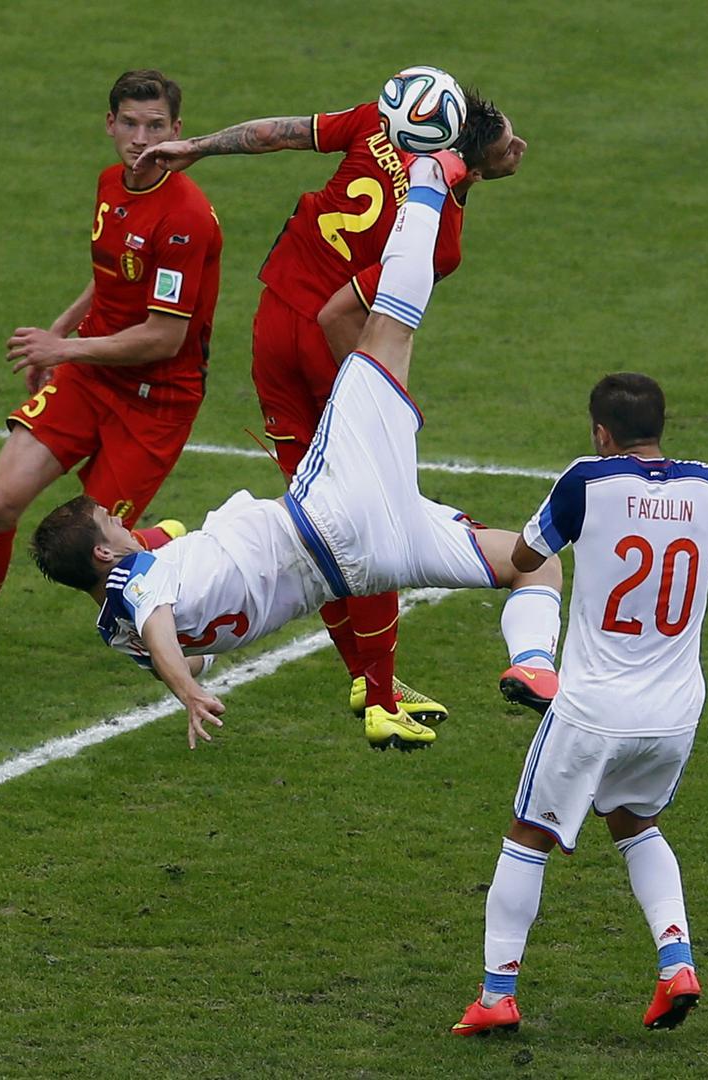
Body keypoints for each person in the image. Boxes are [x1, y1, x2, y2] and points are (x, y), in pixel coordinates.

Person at [29, 153, 562, 753]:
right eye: (111, 521)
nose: (123, 520)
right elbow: (159, 624)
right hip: (328, 514)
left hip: (366, 566)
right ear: (103, 553)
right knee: (384, 328)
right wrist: (186, 690)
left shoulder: (121, 630)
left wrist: (181, 645)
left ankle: (535, 667)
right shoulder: (136, 590)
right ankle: (430, 180)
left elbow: (181, 643)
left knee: (532, 560)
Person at [134, 86, 527, 737]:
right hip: (326, 347)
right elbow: (341, 312)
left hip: (272, 324)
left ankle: (364, 678)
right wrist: (370, 399)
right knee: (368, 518)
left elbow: (281, 132)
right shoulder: (440, 241)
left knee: (310, 513)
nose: (521, 148)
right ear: (472, 169)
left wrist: (197, 146)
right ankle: (381, 699)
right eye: (510, 145)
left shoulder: (379, 120)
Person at [0, 69, 223, 690]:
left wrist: (66, 347)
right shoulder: (111, 184)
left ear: (177, 131)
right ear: (110, 124)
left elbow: (164, 337)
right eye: (130, 124)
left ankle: (163, 559)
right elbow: (112, 276)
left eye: (155, 126)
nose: (141, 139)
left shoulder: (187, 217)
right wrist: (61, 333)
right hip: (90, 377)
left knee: (95, 558)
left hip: (155, 401)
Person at [450, 373, 708, 1037]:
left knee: (528, 835)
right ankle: (677, 962)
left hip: (595, 706)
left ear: (602, 433)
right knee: (635, 822)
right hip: (674, 710)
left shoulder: (587, 479)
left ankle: (496, 994)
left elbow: (526, 554)